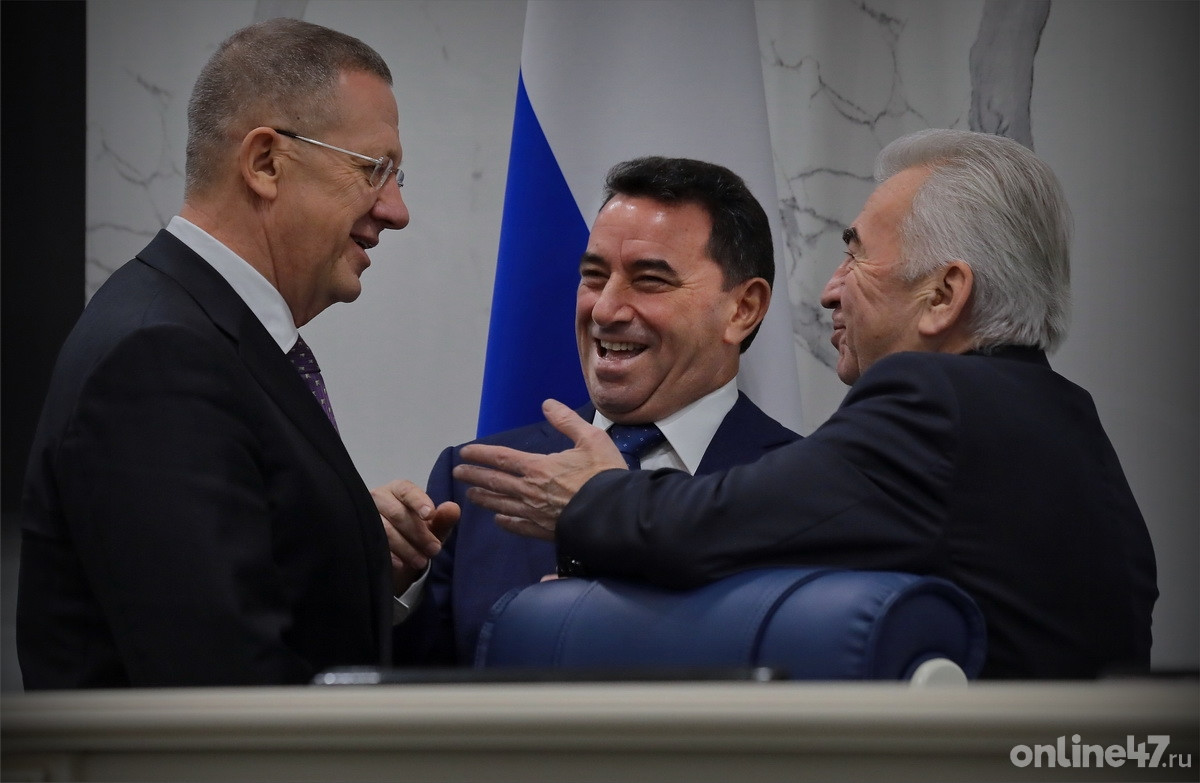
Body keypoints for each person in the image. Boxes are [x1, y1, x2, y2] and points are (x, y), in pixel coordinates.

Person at [452, 130, 1159, 679]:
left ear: (944, 294)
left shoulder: (933, 400)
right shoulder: (1070, 422)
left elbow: (712, 525)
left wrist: (591, 498)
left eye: (857, 256)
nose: (829, 291)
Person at [16, 18, 429, 687]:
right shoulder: (158, 361)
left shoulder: (195, 332)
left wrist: (350, 549)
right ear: (264, 162)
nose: (397, 209)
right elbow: (219, 687)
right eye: (372, 170)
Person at [377, 157, 800, 664]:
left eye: (649, 280)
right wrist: (392, 585)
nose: (604, 309)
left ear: (743, 309)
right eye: (594, 276)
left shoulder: (802, 490)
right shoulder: (477, 479)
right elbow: (423, 689)